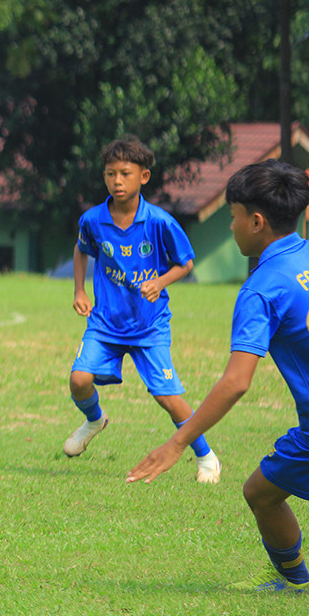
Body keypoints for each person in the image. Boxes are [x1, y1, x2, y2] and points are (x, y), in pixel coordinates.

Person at [128, 159, 309, 592]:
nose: (230, 228)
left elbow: (236, 382)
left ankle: (296, 581)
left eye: (232, 217)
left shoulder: (261, 288)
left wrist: (177, 443)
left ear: (256, 221)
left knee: (260, 494)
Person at [64, 136, 221, 484]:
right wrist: (79, 289)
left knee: (168, 397)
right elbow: (81, 250)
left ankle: (206, 456)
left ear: (144, 177)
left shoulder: (160, 222)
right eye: (110, 174)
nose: (116, 181)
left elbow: (187, 263)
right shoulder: (92, 219)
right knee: (78, 380)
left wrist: (161, 281)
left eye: (125, 173)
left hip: (149, 325)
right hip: (105, 322)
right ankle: (94, 420)